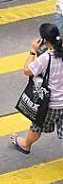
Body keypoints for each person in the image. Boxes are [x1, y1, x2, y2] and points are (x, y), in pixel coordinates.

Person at [11, 23, 63, 155]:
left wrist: (33, 51)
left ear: (45, 40)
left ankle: (26, 144)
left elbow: (27, 71)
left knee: (37, 126)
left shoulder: (47, 58)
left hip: (51, 104)